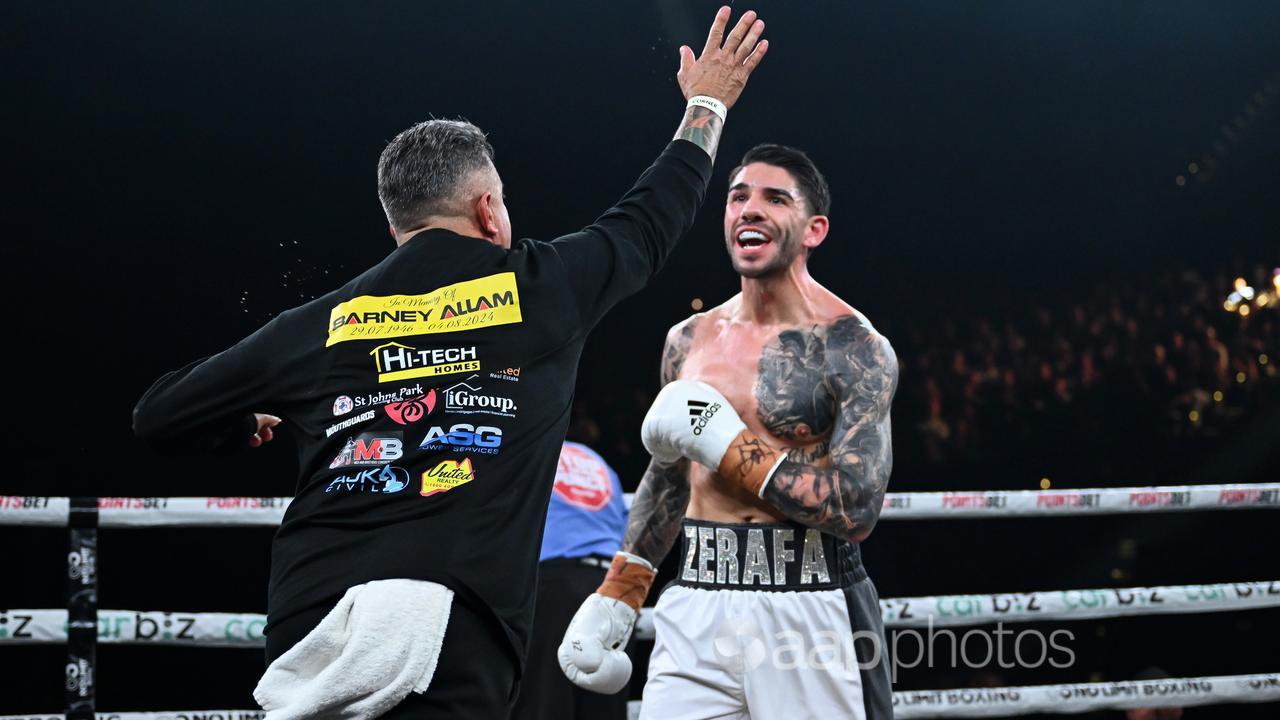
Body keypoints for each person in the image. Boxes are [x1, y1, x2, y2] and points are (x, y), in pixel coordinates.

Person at [131, 8, 769, 718]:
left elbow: (159, 415)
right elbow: (658, 212)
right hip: (451, 623)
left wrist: (239, 426)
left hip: (309, 616)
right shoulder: (540, 287)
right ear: (488, 209)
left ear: (396, 224)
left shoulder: (320, 323)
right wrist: (707, 103)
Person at [559, 144, 898, 720]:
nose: (749, 209)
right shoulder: (687, 341)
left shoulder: (854, 347)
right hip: (698, 599)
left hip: (810, 609)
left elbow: (858, 509)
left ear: (814, 229)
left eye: (774, 198)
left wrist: (730, 444)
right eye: (738, 196)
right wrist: (621, 591)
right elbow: (669, 477)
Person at [512, 436, 630, 720]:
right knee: (604, 702)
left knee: (545, 700)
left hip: (555, 582)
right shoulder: (595, 460)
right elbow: (628, 525)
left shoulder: (531, 449)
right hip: (612, 584)